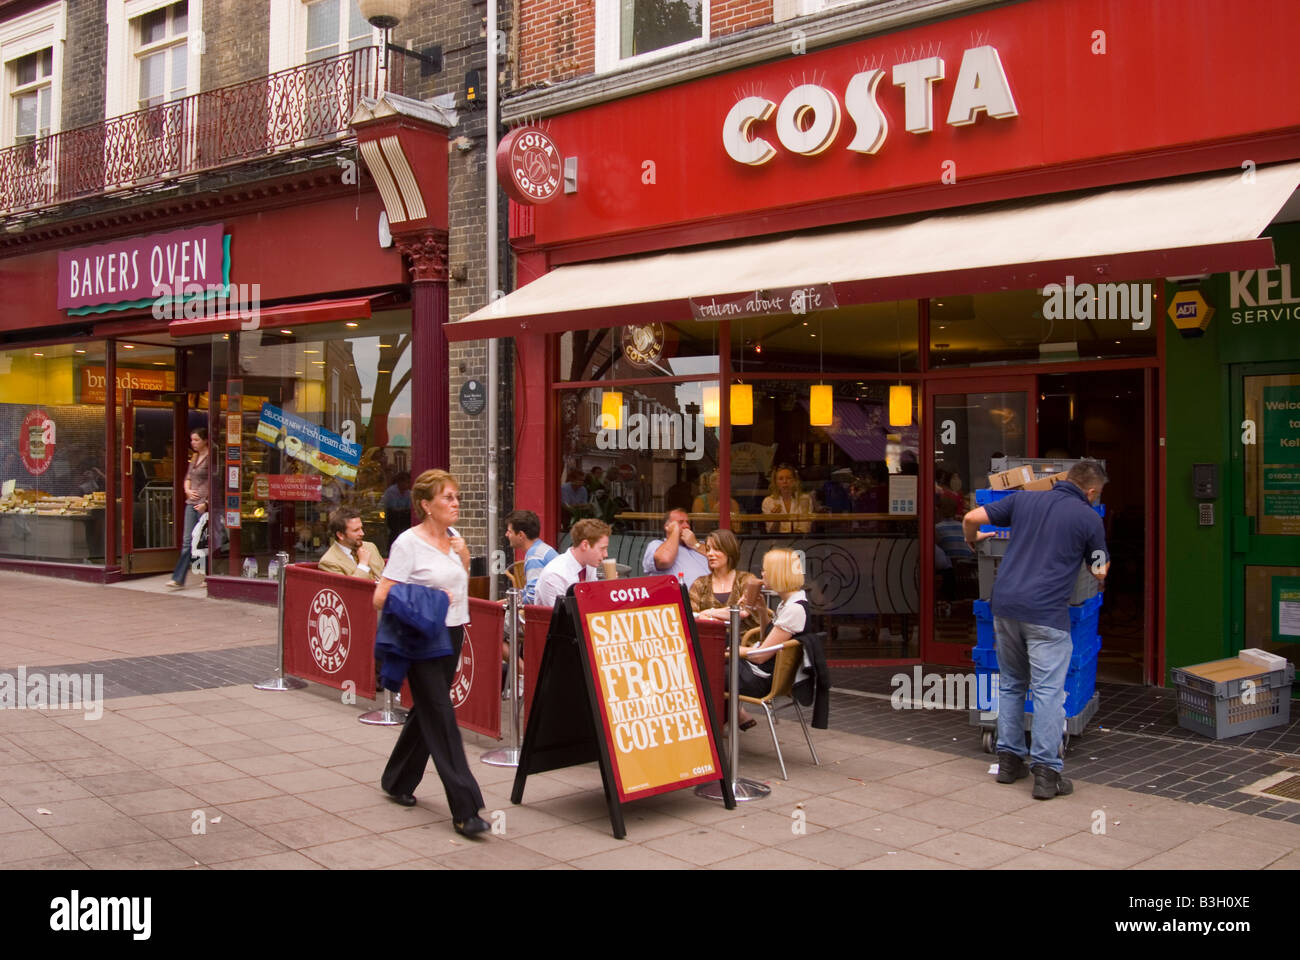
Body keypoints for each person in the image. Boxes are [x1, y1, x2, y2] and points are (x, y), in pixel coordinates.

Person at [962, 458, 1109, 800]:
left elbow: (971, 519)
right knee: (1047, 692)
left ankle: (1010, 762)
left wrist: (973, 541)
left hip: (1006, 605)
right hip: (1046, 614)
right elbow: (1100, 569)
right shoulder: (1088, 517)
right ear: (1089, 491)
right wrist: (1096, 570)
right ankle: (1046, 773)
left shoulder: (1024, 499)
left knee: (1012, 684)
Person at [373, 468, 489, 837]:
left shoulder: (454, 536)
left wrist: (465, 554)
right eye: (447, 498)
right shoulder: (407, 543)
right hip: (421, 638)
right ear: (426, 505)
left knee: (427, 710)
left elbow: (460, 576)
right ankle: (465, 809)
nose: (455, 503)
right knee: (441, 715)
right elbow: (381, 596)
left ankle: (396, 780)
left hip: (453, 633)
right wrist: (431, 600)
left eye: (456, 496)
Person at [732, 548, 809, 729]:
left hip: (762, 679)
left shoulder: (794, 610)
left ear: (778, 574)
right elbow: (769, 639)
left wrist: (734, 651)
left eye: (767, 570)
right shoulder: (790, 603)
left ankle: (714, 732)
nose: (762, 573)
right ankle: (731, 718)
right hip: (765, 673)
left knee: (706, 673)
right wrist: (761, 610)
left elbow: (760, 656)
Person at [688, 529, 764, 634]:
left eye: (716, 549)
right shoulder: (700, 583)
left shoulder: (746, 579)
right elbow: (693, 616)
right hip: (711, 640)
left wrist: (707, 613)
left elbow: (742, 612)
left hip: (744, 642)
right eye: (708, 549)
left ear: (729, 551)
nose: (710, 554)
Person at [166, 427, 211, 590]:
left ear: (205, 440)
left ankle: (209, 575)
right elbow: (188, 478)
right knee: (188, 541)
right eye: (192, 440)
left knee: (204, 541)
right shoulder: (194, 457)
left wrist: (207, 504)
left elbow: (215, 483)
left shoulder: (211, 459)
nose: (193, 443)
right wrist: (187, 490)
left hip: (204, 506)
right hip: (191, 504)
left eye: (197, 440)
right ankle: (178, 578)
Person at [534, 518, 611, 609]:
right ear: (585, 545)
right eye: (602, 549)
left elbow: (593, 603)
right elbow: (560, 617)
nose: (606, 554)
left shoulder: (589, 566)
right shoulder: (555, 575)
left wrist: (608, 588)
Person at [642, 508, 710, 583]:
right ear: (667, 527)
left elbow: (720, 558)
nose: (686, 526)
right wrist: (675, 531)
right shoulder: (656, 545)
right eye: (680, 522)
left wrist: (695, 545)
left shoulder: (698, 544)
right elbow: (665, 560)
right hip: (684, 594)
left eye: (687, 522)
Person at [319, 506, 386, 581]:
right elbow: (347, 589)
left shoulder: (370, 546)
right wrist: (363, 564)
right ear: (340, 535)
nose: (362, 533)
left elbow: (386, 576)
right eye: (356, 530)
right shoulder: (329, 561)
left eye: (361, 528)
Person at [505, 509, 556, 605]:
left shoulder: (534, 557)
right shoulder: (541, 549)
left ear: (520, 535)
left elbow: (533, 597)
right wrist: (509, 600)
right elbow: (531, 590)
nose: (506, 534)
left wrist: (511, 604)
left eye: (509, 531)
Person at [761, 464, 813, 533]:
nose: (785, 482)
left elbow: (805, 528)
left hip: (800, 541)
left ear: (794, 480)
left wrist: (792, 539)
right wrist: (777, 518)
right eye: (781, 479)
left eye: (788, 478)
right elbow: (772, 532)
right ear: (775, 482)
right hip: (777, 542)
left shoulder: (805, 499)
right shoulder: (768, 501)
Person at [381, 471, 412, 546]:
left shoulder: (408, 493)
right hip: (392, 516)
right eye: (406, 482)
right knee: (394, 531)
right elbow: (393, 508)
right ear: (400, 482)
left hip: (403, 516)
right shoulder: (391, 491)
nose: (408, 485)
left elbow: (409, 507)